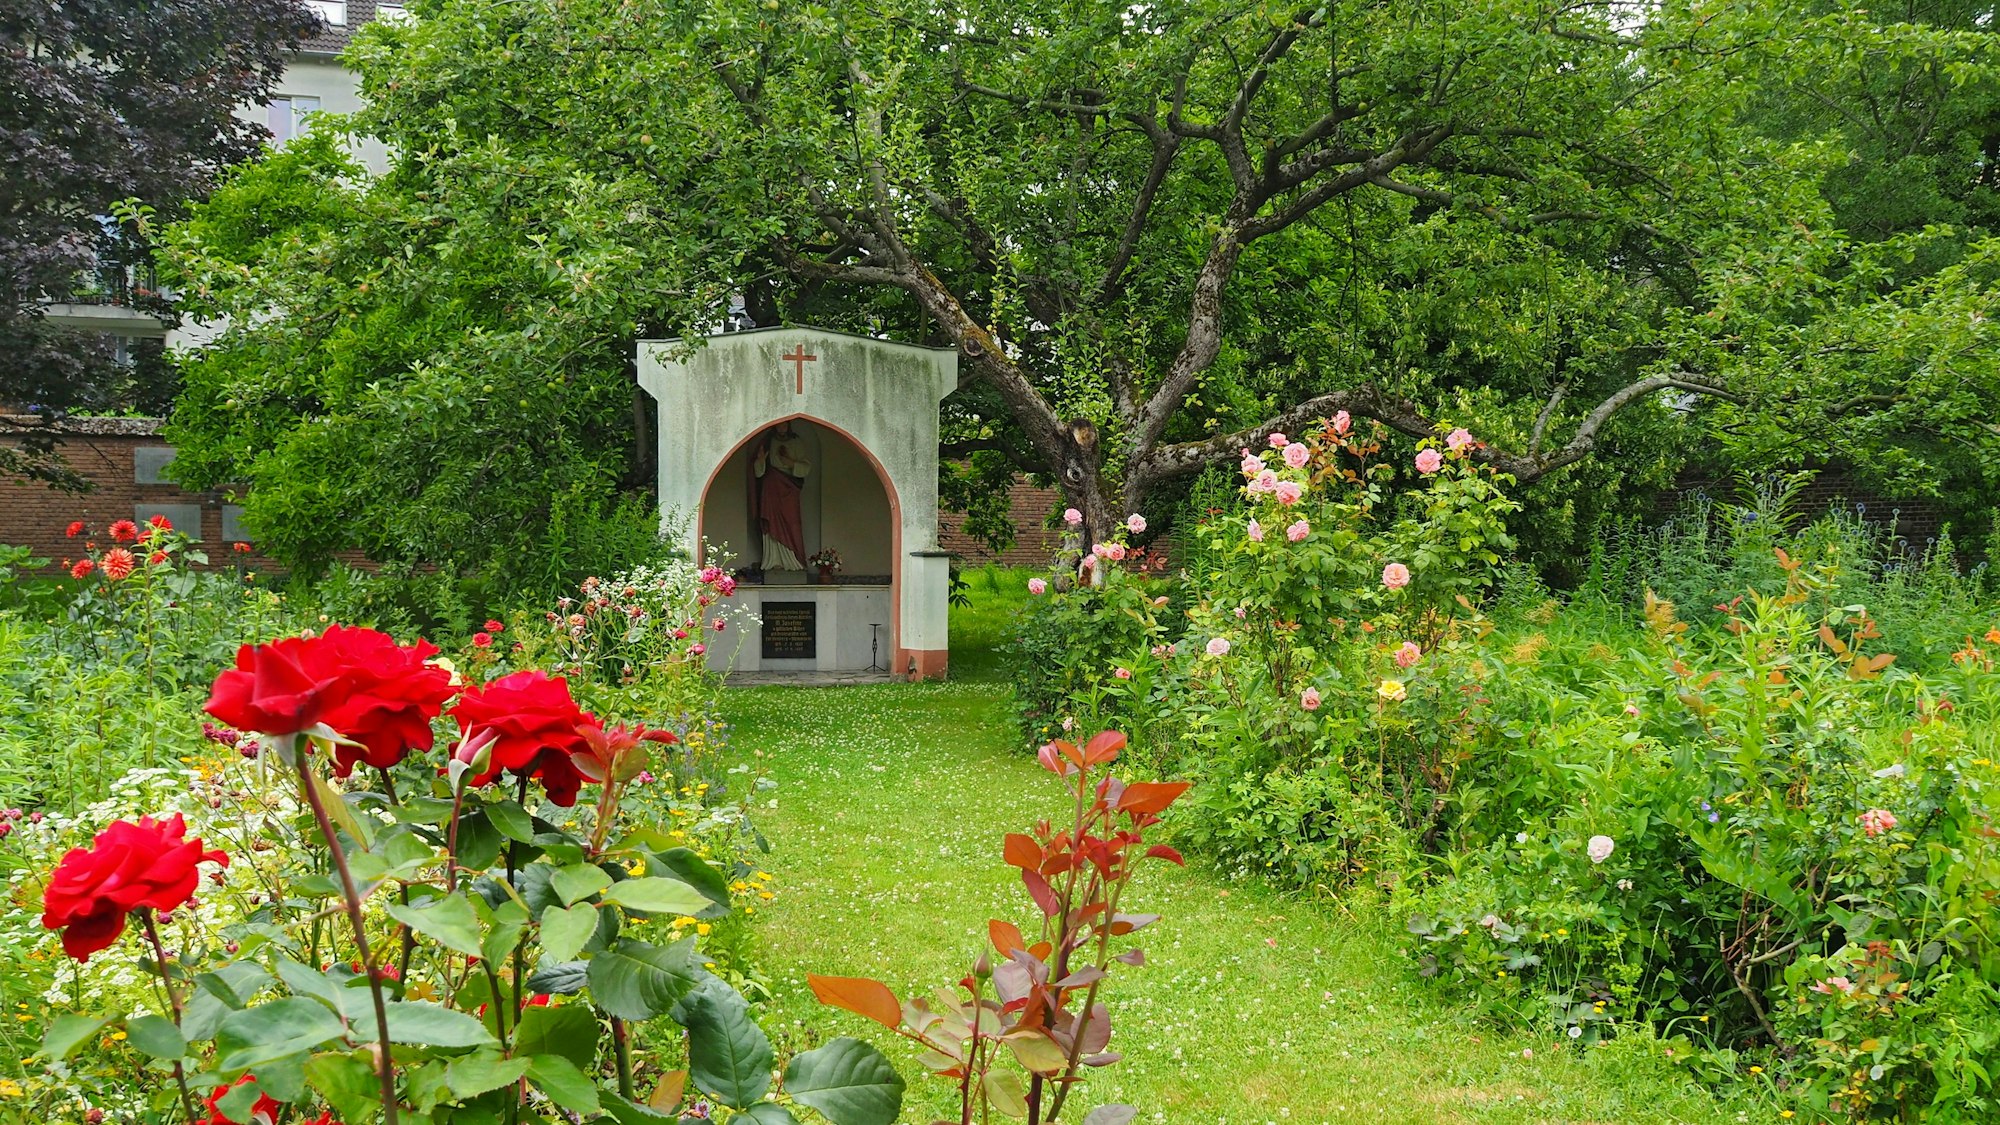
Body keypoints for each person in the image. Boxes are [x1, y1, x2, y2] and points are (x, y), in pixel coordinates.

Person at [753, 424, 811, 570]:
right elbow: (758, 472)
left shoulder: (797, 442)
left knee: (792, 522)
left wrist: (791, 463)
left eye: (784, 425)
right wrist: (760, 461)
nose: (781, 428)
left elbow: (805, 467)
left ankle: (794, 561)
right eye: (778, 425)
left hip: (790, 487)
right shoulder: (768, 441)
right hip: (771, 486)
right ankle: (773, 561)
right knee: (771, 520)